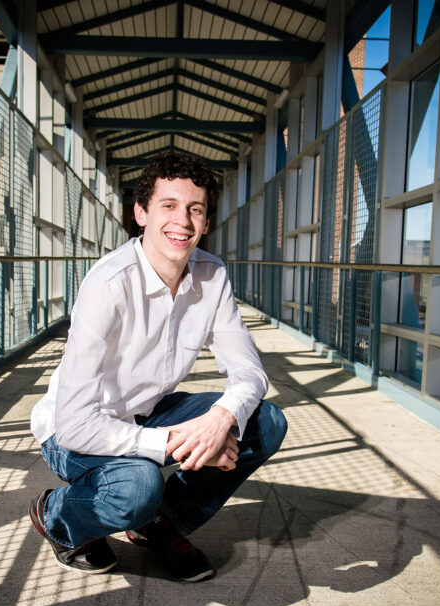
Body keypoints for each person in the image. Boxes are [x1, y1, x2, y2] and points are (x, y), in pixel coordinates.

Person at [28, 151, 287, 582]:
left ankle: (160, 523)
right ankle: (56, 516)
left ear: (206, 222)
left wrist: (220, 420)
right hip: (76, 429)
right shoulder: (108, 284)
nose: (182, 220)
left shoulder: (212, 276)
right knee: (138, 485)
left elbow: (250, 371)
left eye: (195, 209)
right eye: (169, 205)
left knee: (265, 422)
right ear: (141, 214)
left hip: (146, 411)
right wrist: (179, 443)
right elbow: (74, 425)